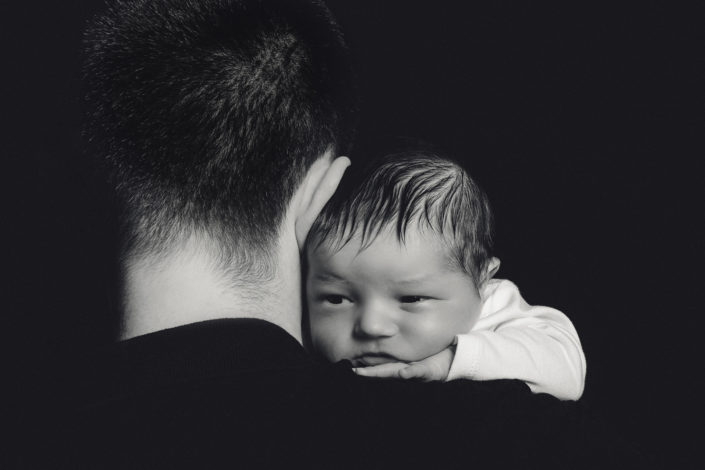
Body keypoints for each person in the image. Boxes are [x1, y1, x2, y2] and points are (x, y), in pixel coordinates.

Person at [17, 0, 651, 468]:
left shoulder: (36, 436)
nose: (374, 327)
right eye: (343, 296)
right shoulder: (520, 442)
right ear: (322, 193)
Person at [305, 151, 586, 400]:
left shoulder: (497, 307)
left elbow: (567, 370)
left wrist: (452, 360)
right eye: (336, 299)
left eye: (411, 298)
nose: (371, 326)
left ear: (481, 280)